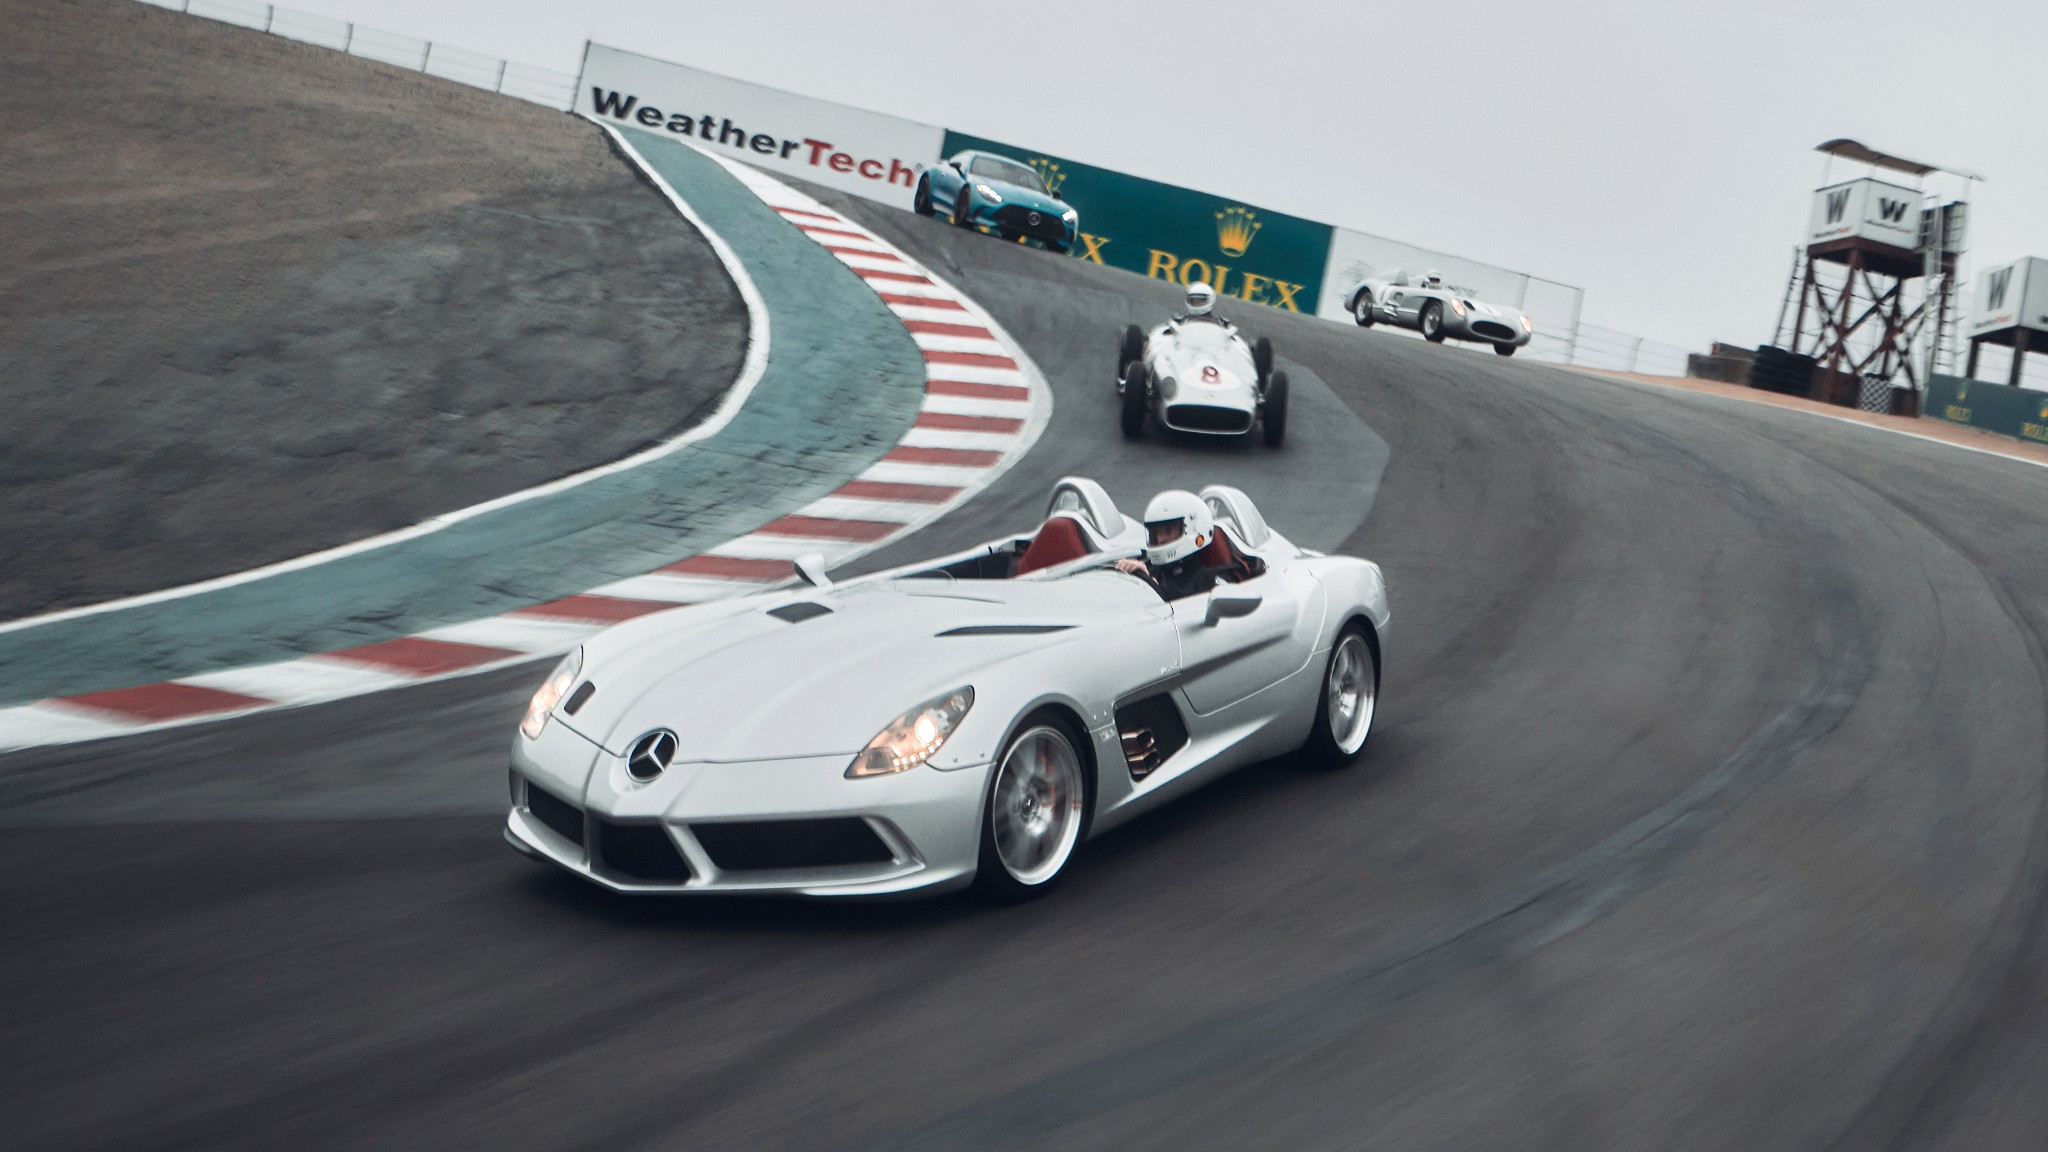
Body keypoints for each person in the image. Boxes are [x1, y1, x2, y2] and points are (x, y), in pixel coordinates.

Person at [1114, 490, 1252, 601]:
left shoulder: (1213, 581)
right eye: (1156, 533)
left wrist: (1150, 582)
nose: (1161, 539)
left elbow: (1182, 606)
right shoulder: (1151, 568)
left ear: (1194, 529)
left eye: (1168, 531)